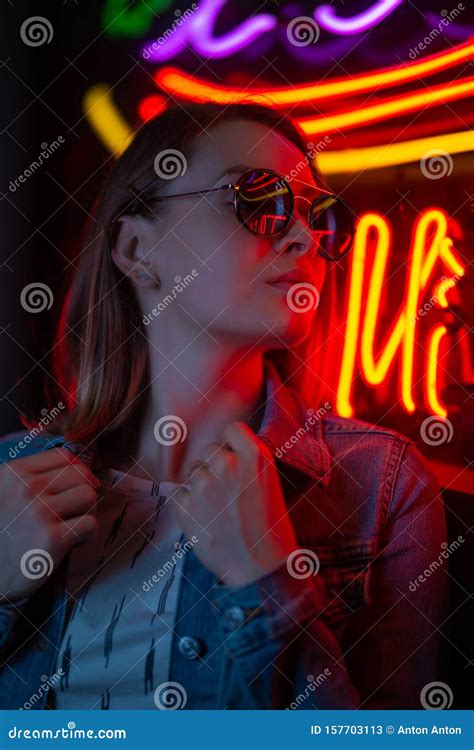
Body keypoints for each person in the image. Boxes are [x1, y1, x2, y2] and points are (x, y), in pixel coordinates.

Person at [0, 102, 448, 710]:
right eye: (257, 198)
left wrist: (266, 582)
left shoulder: (382, 486)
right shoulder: (11, 483)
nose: (303, 238)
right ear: (136, 248)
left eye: (321, 218)